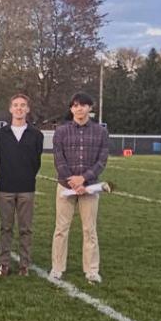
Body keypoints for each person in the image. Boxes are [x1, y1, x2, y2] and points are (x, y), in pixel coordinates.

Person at [50, 92, 109, 284]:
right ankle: (57, 268)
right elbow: (59, 159)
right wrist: (72, 181)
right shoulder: (61, 132)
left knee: (89, 230)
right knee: (61, 229)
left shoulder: (101, 132)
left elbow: (102, 160)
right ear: (71, 109)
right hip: (65, 187)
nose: (79, 109)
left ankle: (92, 270)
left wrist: (84, 179)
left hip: (89, 188)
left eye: (83, 105)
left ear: (90, 108)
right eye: (75, 105)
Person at [0, 94, 43, 277]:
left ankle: (24, 264)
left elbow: (36, 161)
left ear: (28, 109)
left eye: (23, 105)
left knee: (26, 228)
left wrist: (27, 176)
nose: (19, 108)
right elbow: (0, 159)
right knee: (6, 228)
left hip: (27, 187)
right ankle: (4, 263)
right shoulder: (1, 134)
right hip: (6, 186)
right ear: (10, 108)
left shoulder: (36, 135)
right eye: (15, 105)